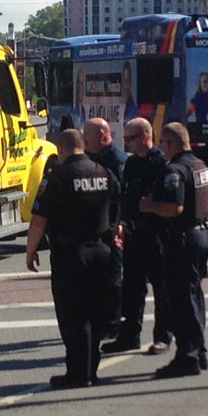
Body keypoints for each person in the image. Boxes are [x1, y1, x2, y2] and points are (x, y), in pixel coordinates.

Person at [26, 129, 119, 388]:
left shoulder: (57, 178)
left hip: (71, 254)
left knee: (74, 316)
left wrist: (31, 251)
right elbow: (116, 207)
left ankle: (78, 373)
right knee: (95, 312)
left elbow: (38, 220)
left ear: (62, 149)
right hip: (102, 251)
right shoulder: (103, 172)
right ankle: (91, 369)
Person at [140, 122, 208, 378]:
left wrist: (149, 206)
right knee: (194, 296)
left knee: (182, 300)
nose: (162, 149)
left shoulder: (175, 170)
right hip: (201, 234)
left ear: (170, 144)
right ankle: (199, 350)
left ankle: (187, 356)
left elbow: (174, 207)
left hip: (182, 240)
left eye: (163, 144)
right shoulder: (199, 166)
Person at [102, 117, 172, 355]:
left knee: (161, 288)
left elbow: (169, 202)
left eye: (130, 138)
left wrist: (152, 208)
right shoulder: (131, 165)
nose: (127, 144)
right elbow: (124, 197)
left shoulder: (160, 163)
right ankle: (129, 334)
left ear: (145, 136)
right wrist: (120, 224)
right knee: (132, 288)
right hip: (132, 232)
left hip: (155, 234)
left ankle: (163, 336)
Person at [83, 117, 126, 339]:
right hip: (99, 228)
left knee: (113, 279)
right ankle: (102, 321)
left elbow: (121, 198)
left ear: (102, 134)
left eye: (87, 136)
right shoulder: (93, 157)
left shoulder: (115, 159)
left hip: (113, 228)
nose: (83, 140)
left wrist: (119, 226)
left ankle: (113, 323)